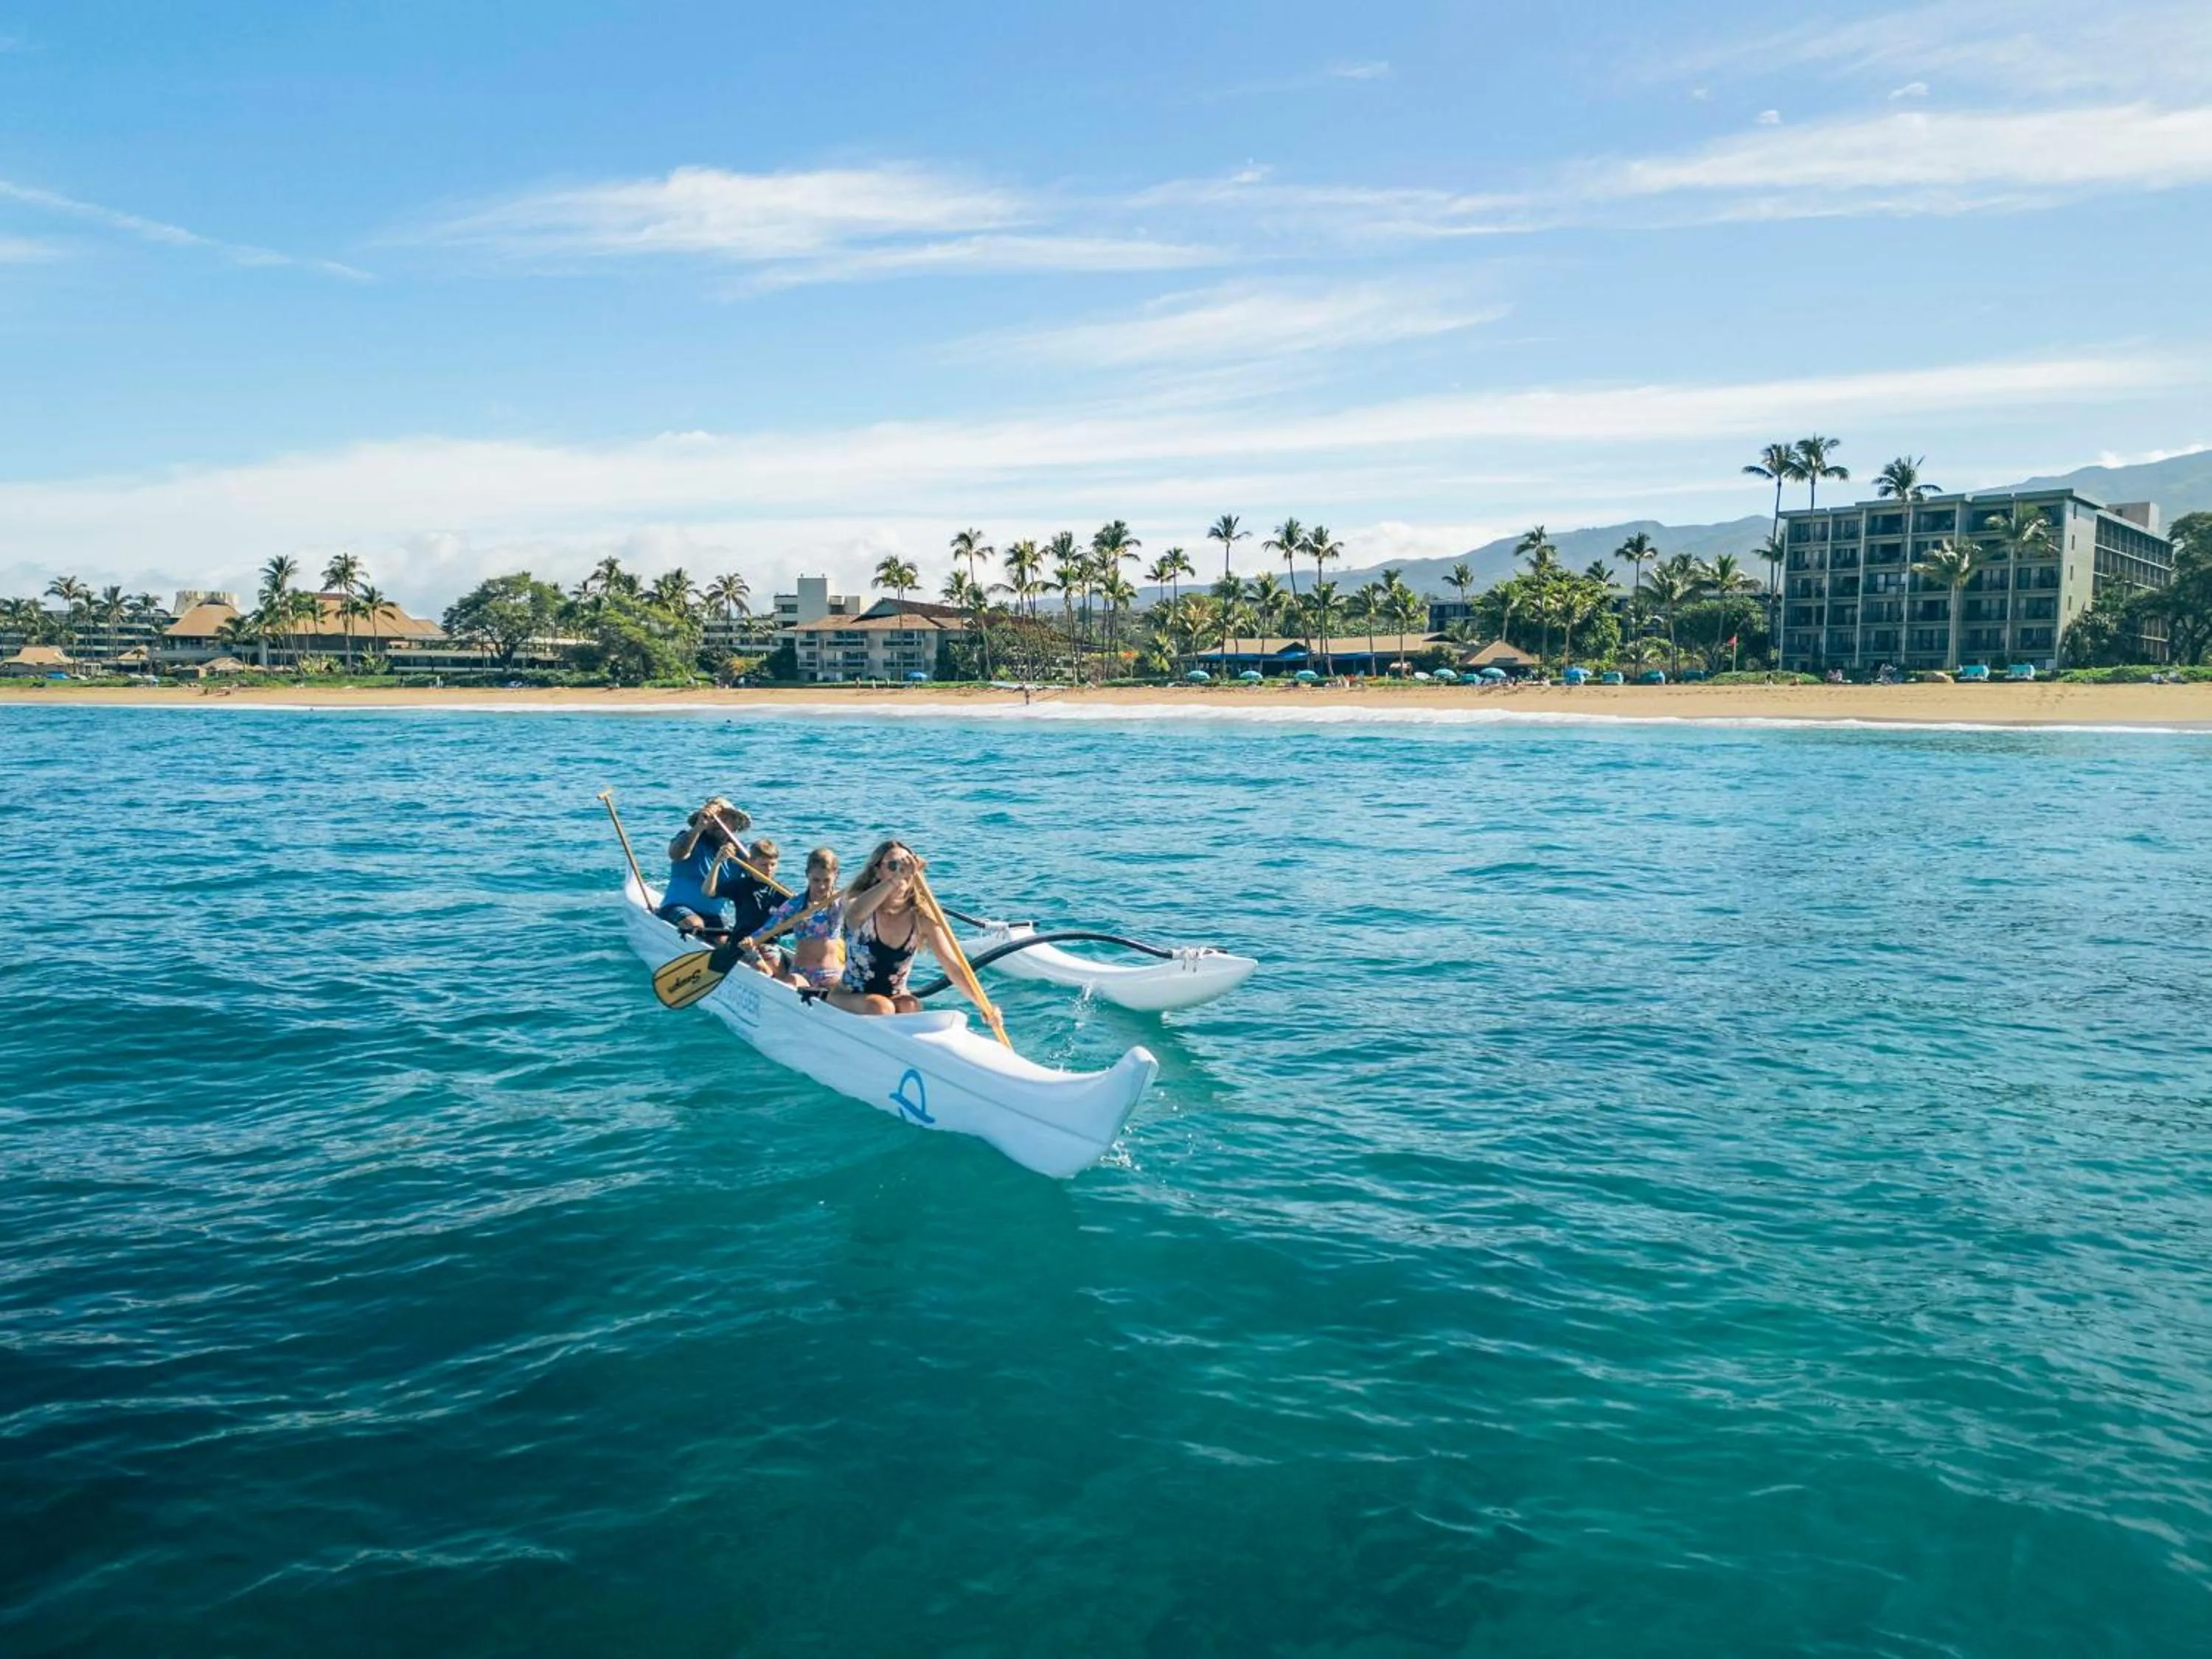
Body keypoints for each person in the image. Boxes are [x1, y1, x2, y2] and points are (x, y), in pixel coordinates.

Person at [827, 840, 963, 1016]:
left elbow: (953, 966)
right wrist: (895, 879)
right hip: (850, 996)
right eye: (893, 866)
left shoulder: (922, 917)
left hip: (895, 998)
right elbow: (855, 913)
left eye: (906, 865)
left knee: (910, 1005)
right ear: (877, 871)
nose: (901, 871)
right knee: (881, 1008)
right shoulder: (855, 900)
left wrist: (985, 1007)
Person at [747, 847, 846, 990]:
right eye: (816, 880)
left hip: (830, 974)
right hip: (801, 974)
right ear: (807, 875)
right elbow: (768, 929)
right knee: (791, 982)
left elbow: (863, 910)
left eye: (827, 880)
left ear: (836, 876)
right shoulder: (795, 905)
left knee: (843, 990)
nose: (821, 886)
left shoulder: (841, 903)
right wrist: (750, 942)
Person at [657, 796, 750, 936]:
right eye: (714, 819)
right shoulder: (690, 838)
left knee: (724, 942)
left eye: (724, 819)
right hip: (678, 908)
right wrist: (699, 826)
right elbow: (677, 855)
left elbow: (757, 878)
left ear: (734, 824)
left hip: (714, 915)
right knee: (696, 924)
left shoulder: (741, 852)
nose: (718, 824)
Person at [721, 837, 785, 942]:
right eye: (764, 865)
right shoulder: (740, 885)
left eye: (773, 865)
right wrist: (716, 864)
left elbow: (798, 912)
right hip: (742, 941)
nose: (769, 869)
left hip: (768, 944)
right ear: (751, 862)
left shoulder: (780, 890)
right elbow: (708, 892)